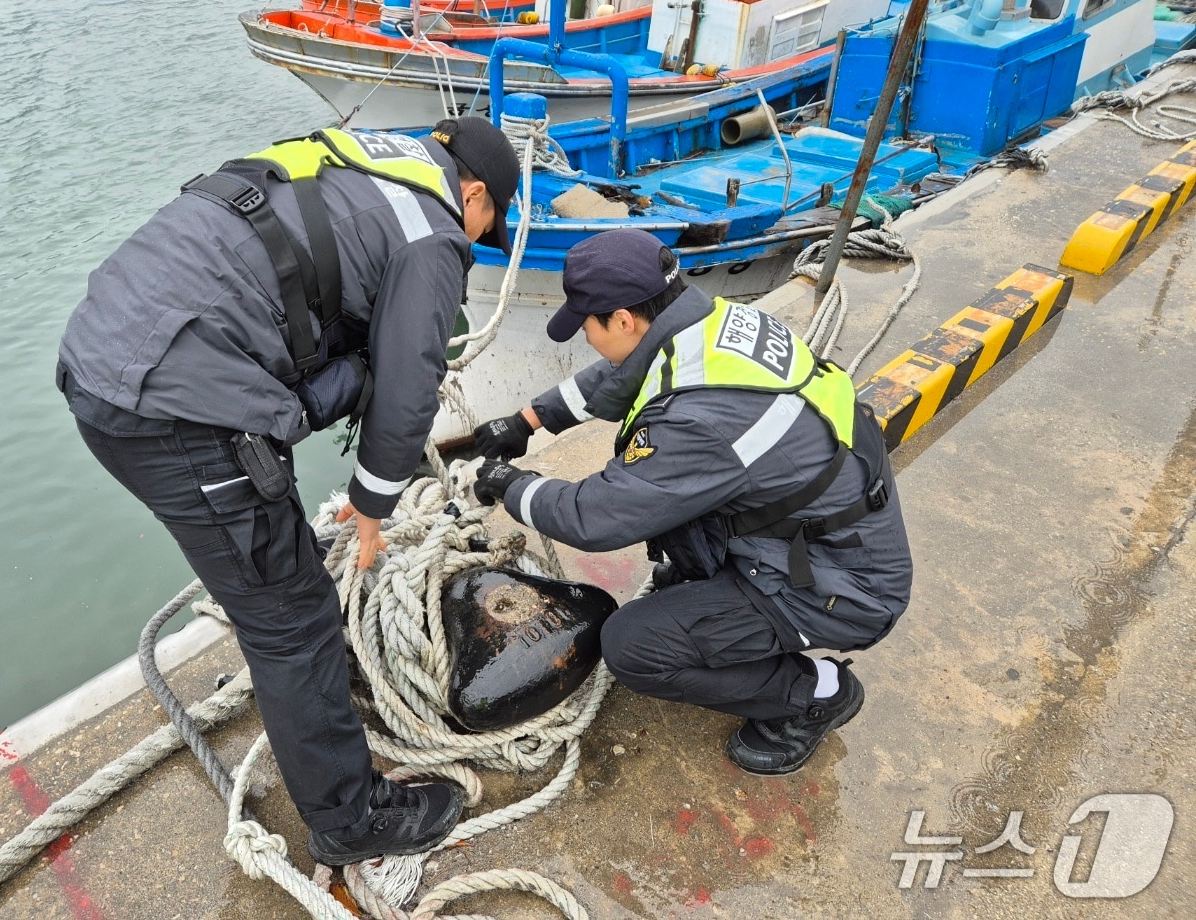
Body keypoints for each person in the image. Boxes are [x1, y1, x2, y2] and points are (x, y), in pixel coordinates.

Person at [56, 117, 519, 864]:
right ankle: (350, 818)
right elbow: (407, 396)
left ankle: (306, 690)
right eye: (487, 225)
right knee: (290, 617)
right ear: (473, 195)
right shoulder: (435, 232)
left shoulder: (361, 158)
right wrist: (371, 506)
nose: (477, 242)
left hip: (106, 356)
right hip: (175, 405)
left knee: (276, 576)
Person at [470, 228, 913, 776]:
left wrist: (510, 484)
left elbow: (596, 516)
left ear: (625, 319)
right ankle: (728, 608)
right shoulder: (707, 322)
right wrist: (527, 421)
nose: (585, 336)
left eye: (587, 323)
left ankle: (817, 694)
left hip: (838, 587)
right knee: (678, 555)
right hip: (819, 536)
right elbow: (624, 371)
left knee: (634, 646)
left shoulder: (697, 422)